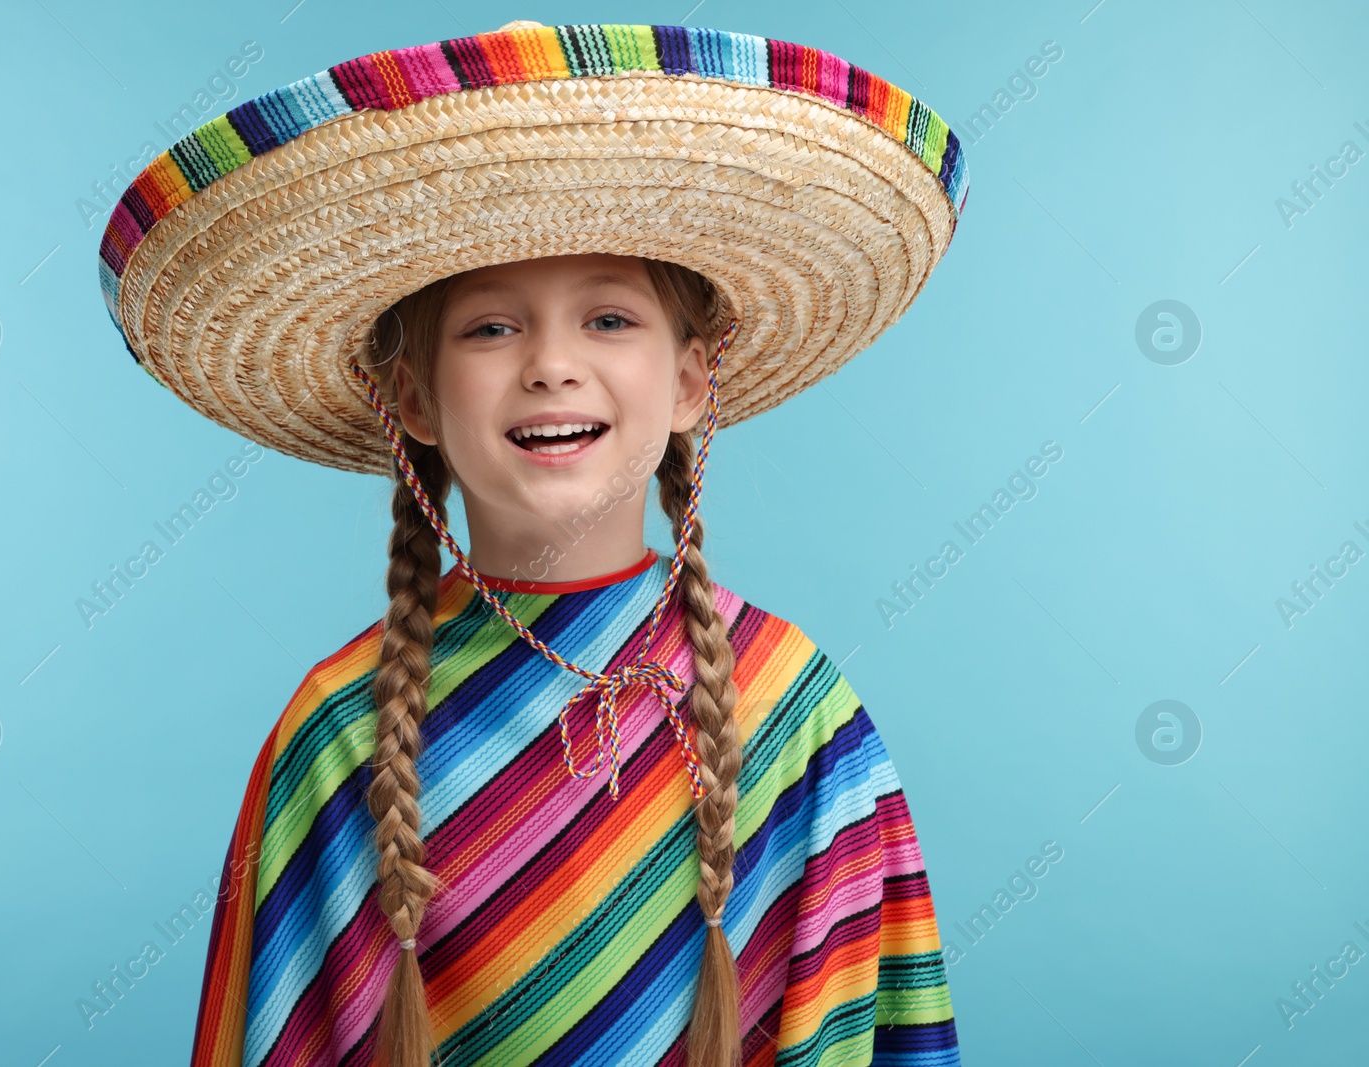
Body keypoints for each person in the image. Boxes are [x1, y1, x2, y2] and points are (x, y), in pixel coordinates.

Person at [96, 20, 969, 1067]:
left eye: (607, 318)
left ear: (692, 380)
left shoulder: (796, 707)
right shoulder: (337, 734)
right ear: (411, 397)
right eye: (491, 328)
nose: (552, 364)